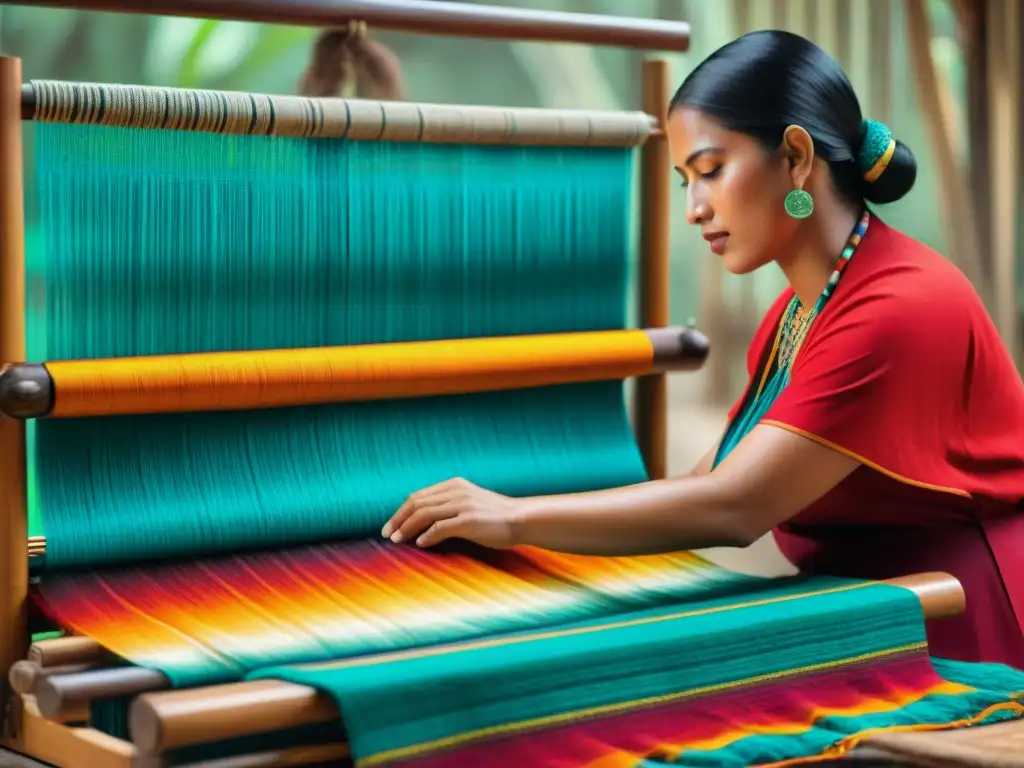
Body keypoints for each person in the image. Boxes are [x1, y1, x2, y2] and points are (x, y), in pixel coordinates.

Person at [380, 30, 1024, 669]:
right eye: (686, 179)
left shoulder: (900, 307)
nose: (693, 208)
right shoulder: (799, 311)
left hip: (967, 627)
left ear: (797, 159)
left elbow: (734, 504)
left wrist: (515, 518)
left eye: (710, 171)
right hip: (872, 615)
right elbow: (705, 484)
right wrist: (529, 548)